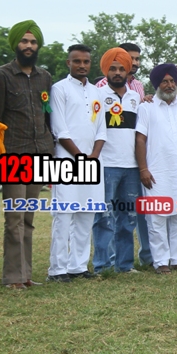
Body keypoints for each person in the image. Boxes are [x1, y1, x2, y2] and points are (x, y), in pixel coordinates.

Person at [0, 20, 54, 290]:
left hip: (39, 153)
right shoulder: (0, 75)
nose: (29, 46)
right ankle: (13, 277)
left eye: (33, 42)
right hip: (13, 154)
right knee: (14, 217)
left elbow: (47, 116)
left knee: (28, 218)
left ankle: (26, 274)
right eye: (24, 41)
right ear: (15, 44)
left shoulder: (44, 77)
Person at [48, 44, 107, 282]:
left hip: (93, 162)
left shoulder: (96, 92)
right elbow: (59, 129)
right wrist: (80, 157)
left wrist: (94, 156)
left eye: (86, 62)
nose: (82, 65)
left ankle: (78, 266)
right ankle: (57, 269)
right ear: (68, 63)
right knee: (63, 215)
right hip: (66, 161)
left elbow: (101, 129)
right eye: (77, 61)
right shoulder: (59, 89)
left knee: (86, 214)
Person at [91, 48, 146, 274]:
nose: (117, 73)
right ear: (106, 70)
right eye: (112, 68)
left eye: (121, 69)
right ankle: (102, 265)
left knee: (127, 218)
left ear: (128, 71)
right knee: (103, 217)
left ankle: (124, 265)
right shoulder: (97, 94)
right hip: (106, 164)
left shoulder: (136, 98)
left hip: (131, 167)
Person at [136, 64, 177, 273]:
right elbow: (140, 139)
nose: (169, 85)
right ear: (156, 85)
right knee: (157, 218)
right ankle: (161, 262)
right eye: (164, 82)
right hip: (156, 171)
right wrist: (143, 169)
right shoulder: (146, 107)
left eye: (172, 81)